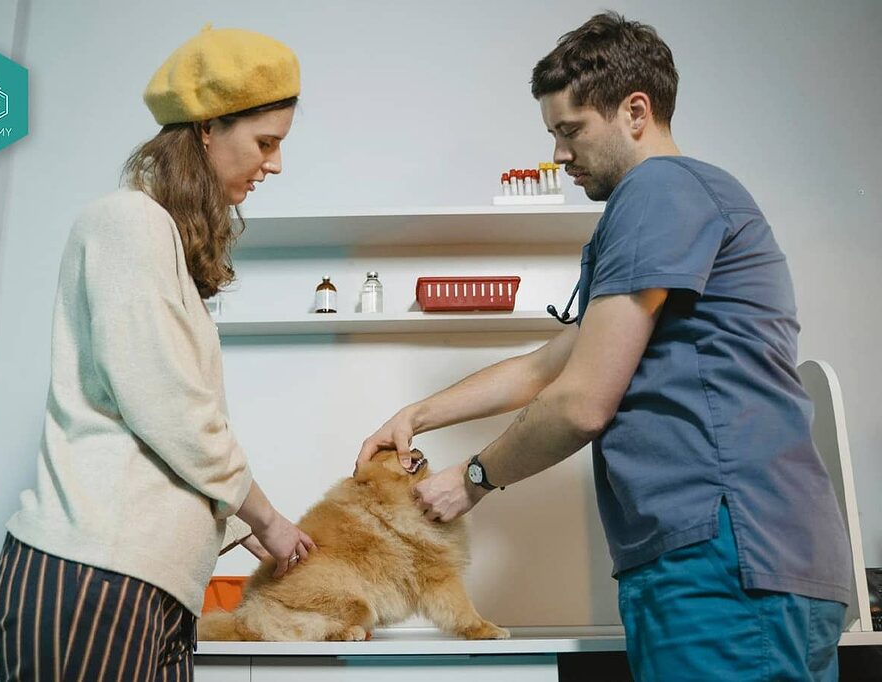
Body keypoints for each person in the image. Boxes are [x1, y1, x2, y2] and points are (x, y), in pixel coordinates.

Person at [357, 12, 851, 681]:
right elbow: (546, 364)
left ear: (635, 110)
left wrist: (473, 478)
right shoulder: (683, 205)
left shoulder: (658, 190)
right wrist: (417, 415)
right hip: (744, 558)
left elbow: (582, 401)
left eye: (570, 130)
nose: (560, 154)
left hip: (722, 561)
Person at [0, 25, 315, 681]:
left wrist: (241, 528)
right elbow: (172, 411)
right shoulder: (127, 222)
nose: (275, 164)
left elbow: (159, 433)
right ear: (206, 128)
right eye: (266, 142)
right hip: (96, 577)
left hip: (146, 586)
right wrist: (268, 520)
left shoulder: (159, 237)